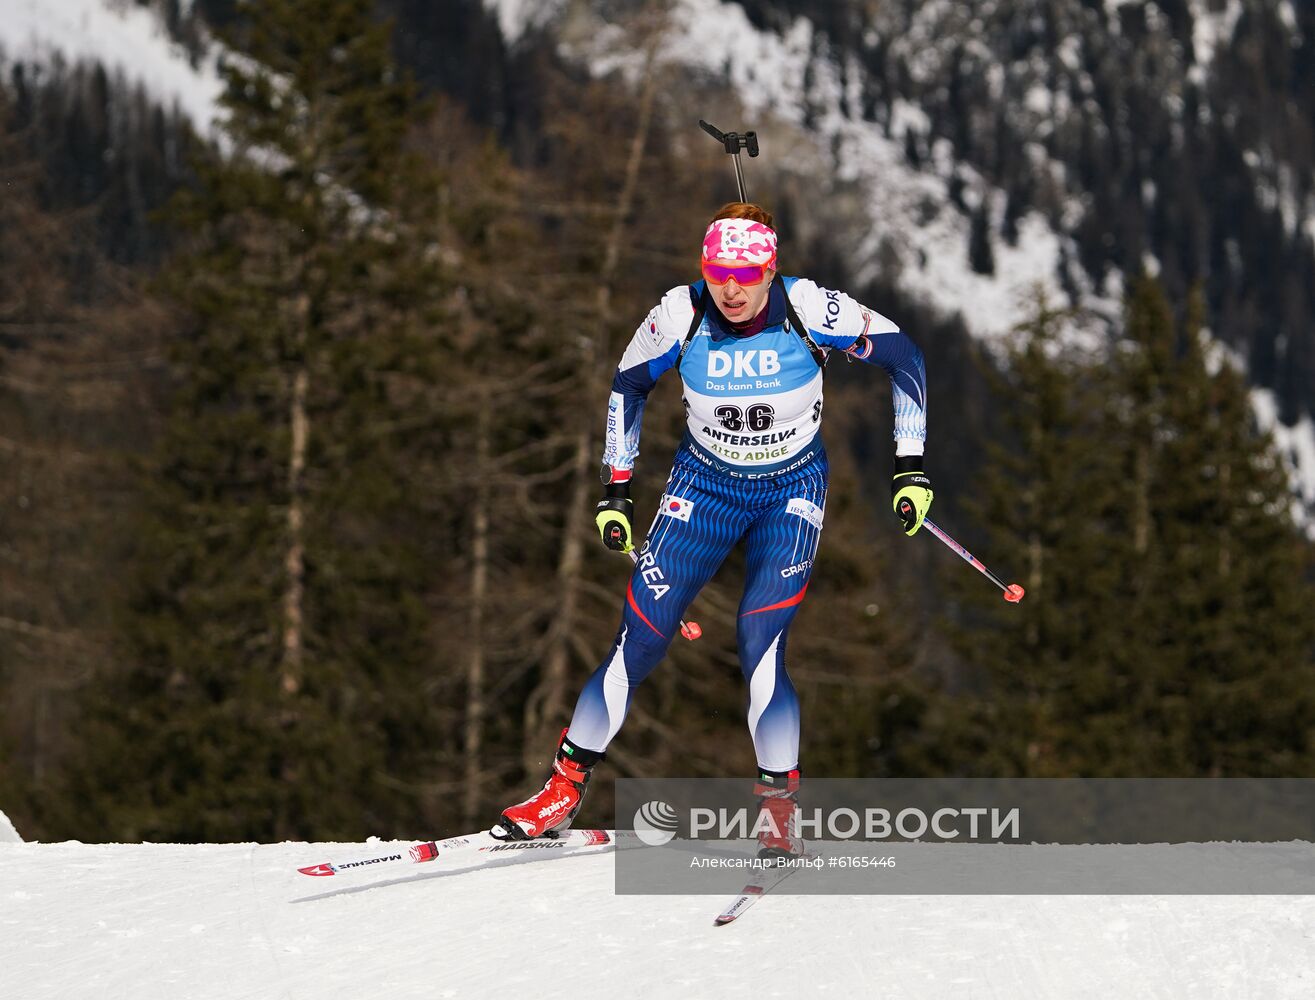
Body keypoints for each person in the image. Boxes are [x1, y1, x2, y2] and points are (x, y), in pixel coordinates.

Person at [494, 203, 930, 855]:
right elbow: (626, 388)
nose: (731, 288)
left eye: (746, 273)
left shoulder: (810, 308)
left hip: (791, 488)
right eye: (718, 271)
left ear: (770, 269)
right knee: (639, 635)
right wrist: (616, 489)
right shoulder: (679, 314)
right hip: (704, 487)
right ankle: (561, 787)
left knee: (759, 635)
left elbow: (905, 359)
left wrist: (910, 469)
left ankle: (778, 810)